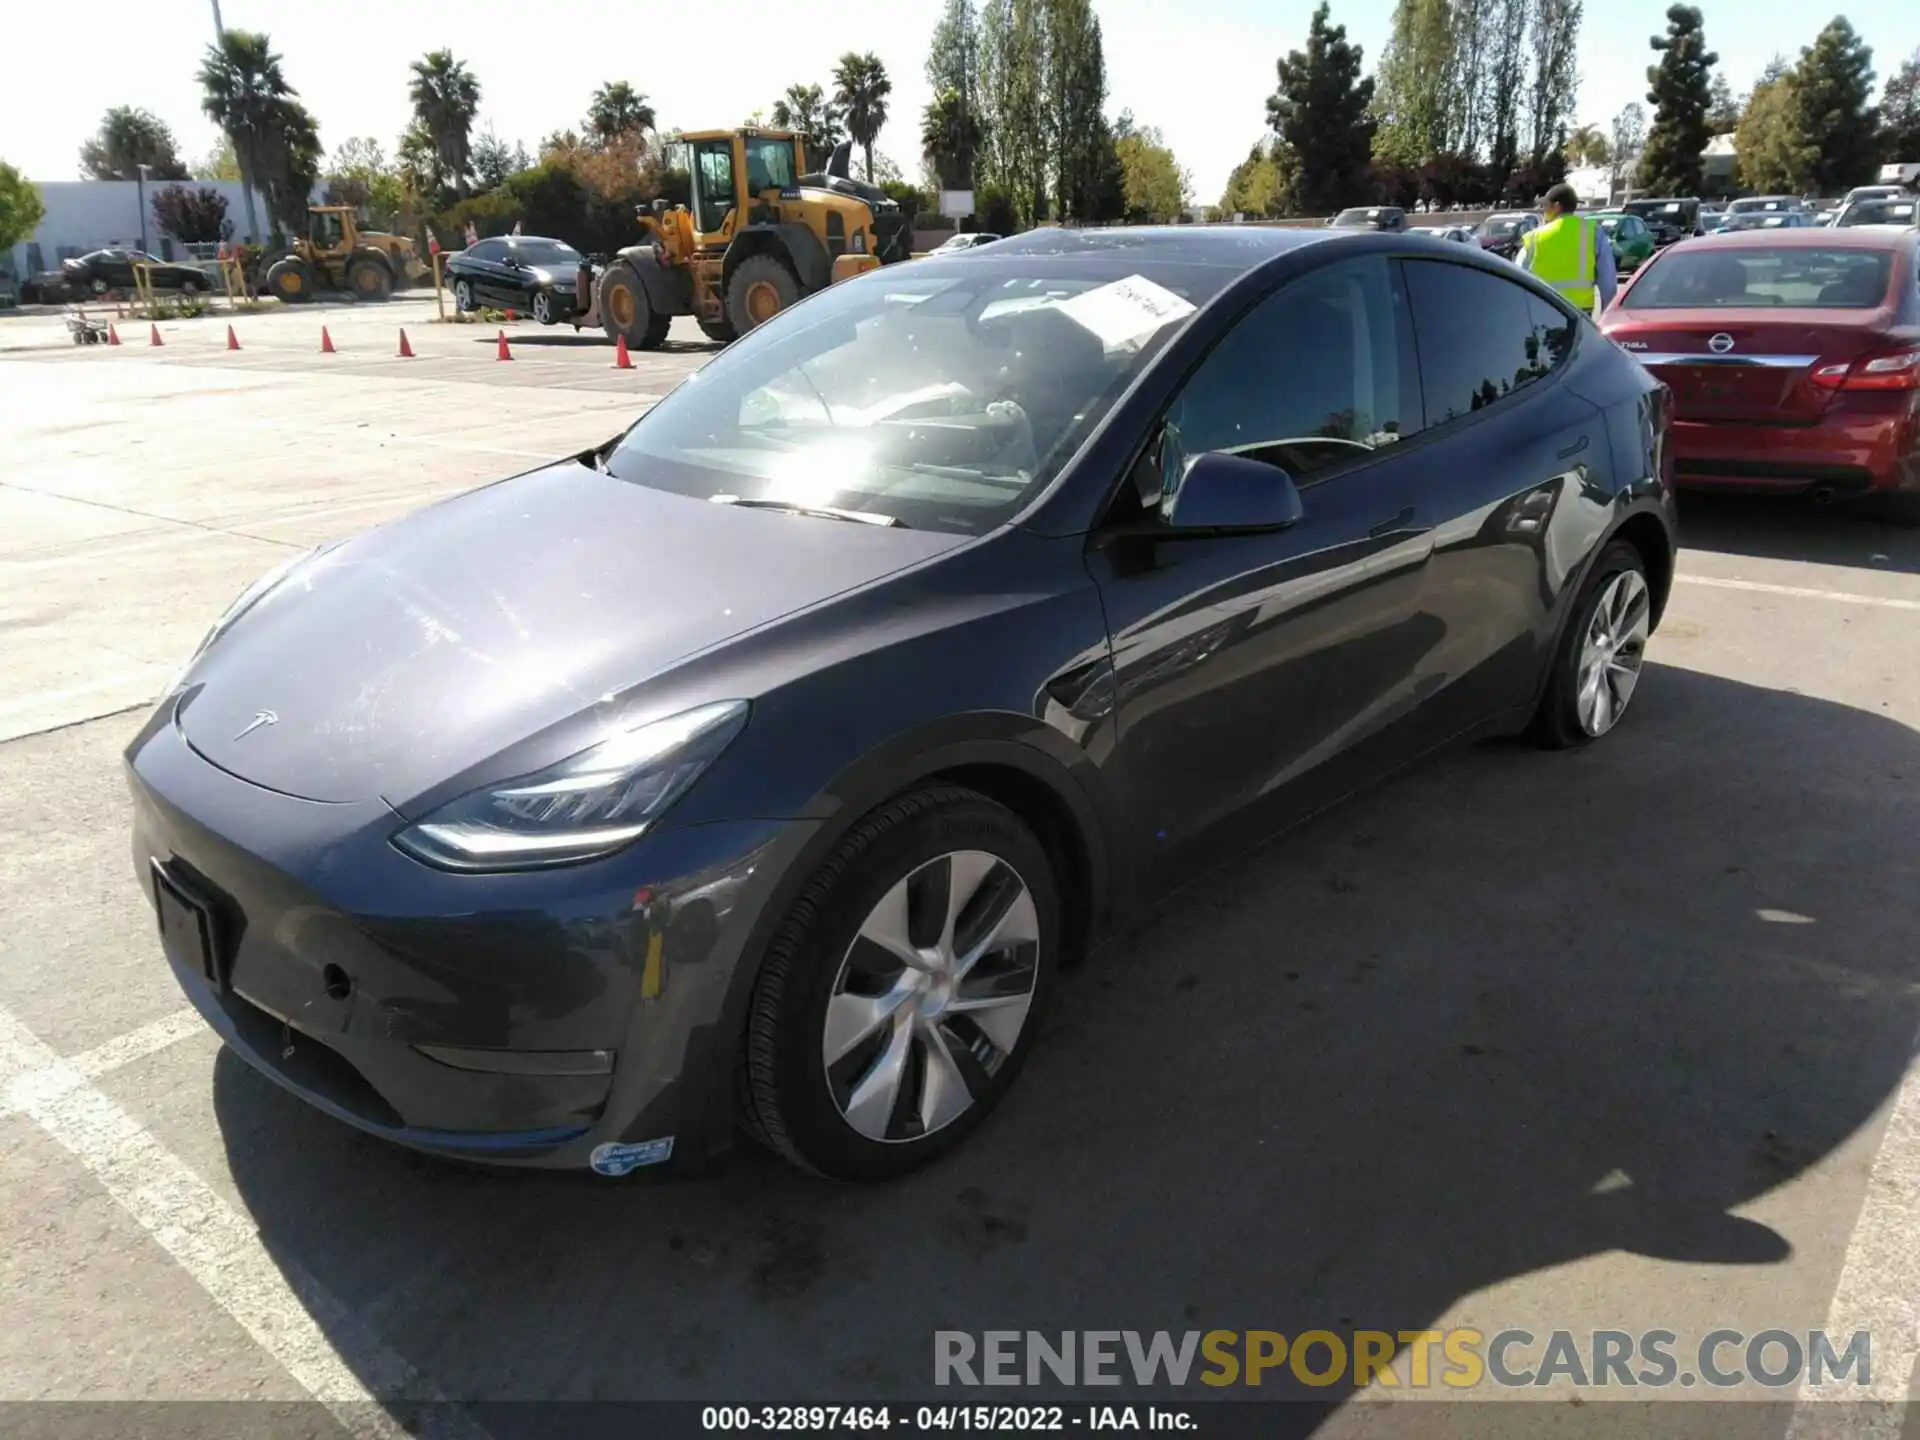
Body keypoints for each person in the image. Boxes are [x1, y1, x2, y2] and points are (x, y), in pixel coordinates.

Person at [1516, 183, 1616, 318]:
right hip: (1580, 311)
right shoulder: (1593, 232)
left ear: (1556, 206)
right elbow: (1608, 282)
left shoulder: (1535, 236)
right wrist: (1606, 317)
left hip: (1542, 309)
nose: (1543, 211)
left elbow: (1518, 276)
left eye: (1545, 206)